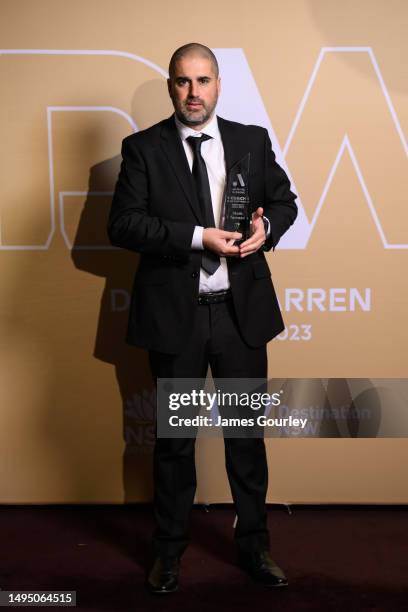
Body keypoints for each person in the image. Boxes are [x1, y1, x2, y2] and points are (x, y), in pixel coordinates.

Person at [107, 42, 298, 594]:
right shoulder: (142, 149)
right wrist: (196, 237)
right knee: (174, 444)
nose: (194, 93)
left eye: (204, 80)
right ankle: (168, 553)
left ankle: (256, 548)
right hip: (178, 320)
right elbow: (123, 225)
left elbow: (284, 201)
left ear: (219, 84)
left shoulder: (250, 141)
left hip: (240, 318)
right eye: (183, 82)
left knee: (245, 439)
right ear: (171, 86)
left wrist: (268, 230)